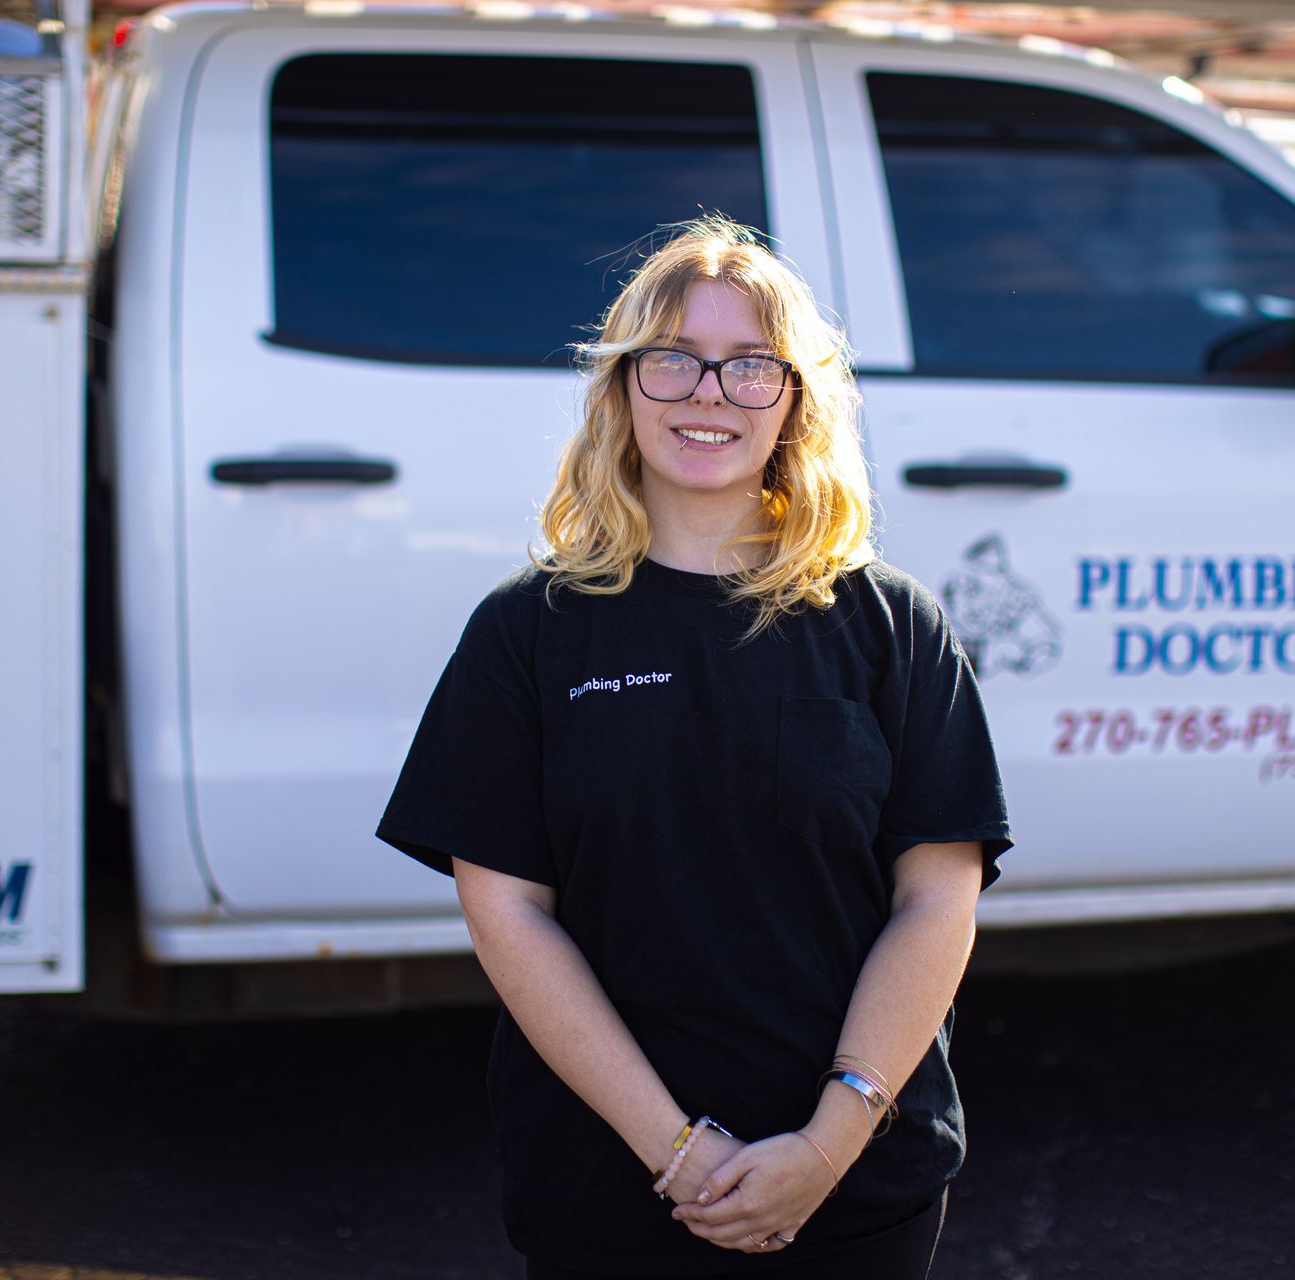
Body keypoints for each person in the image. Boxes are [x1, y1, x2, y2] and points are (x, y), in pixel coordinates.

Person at [376, 214, 1012, 1279]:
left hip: (860, 1188)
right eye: (672, 359)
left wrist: (828, 1141)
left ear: (795, 401)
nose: (708, 393)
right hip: (611, 1187)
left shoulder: (892, 624)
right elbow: (509, 912)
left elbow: (937, 901)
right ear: (622, 388)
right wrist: (677, 1148)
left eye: (749, 366)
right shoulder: (529, 630)